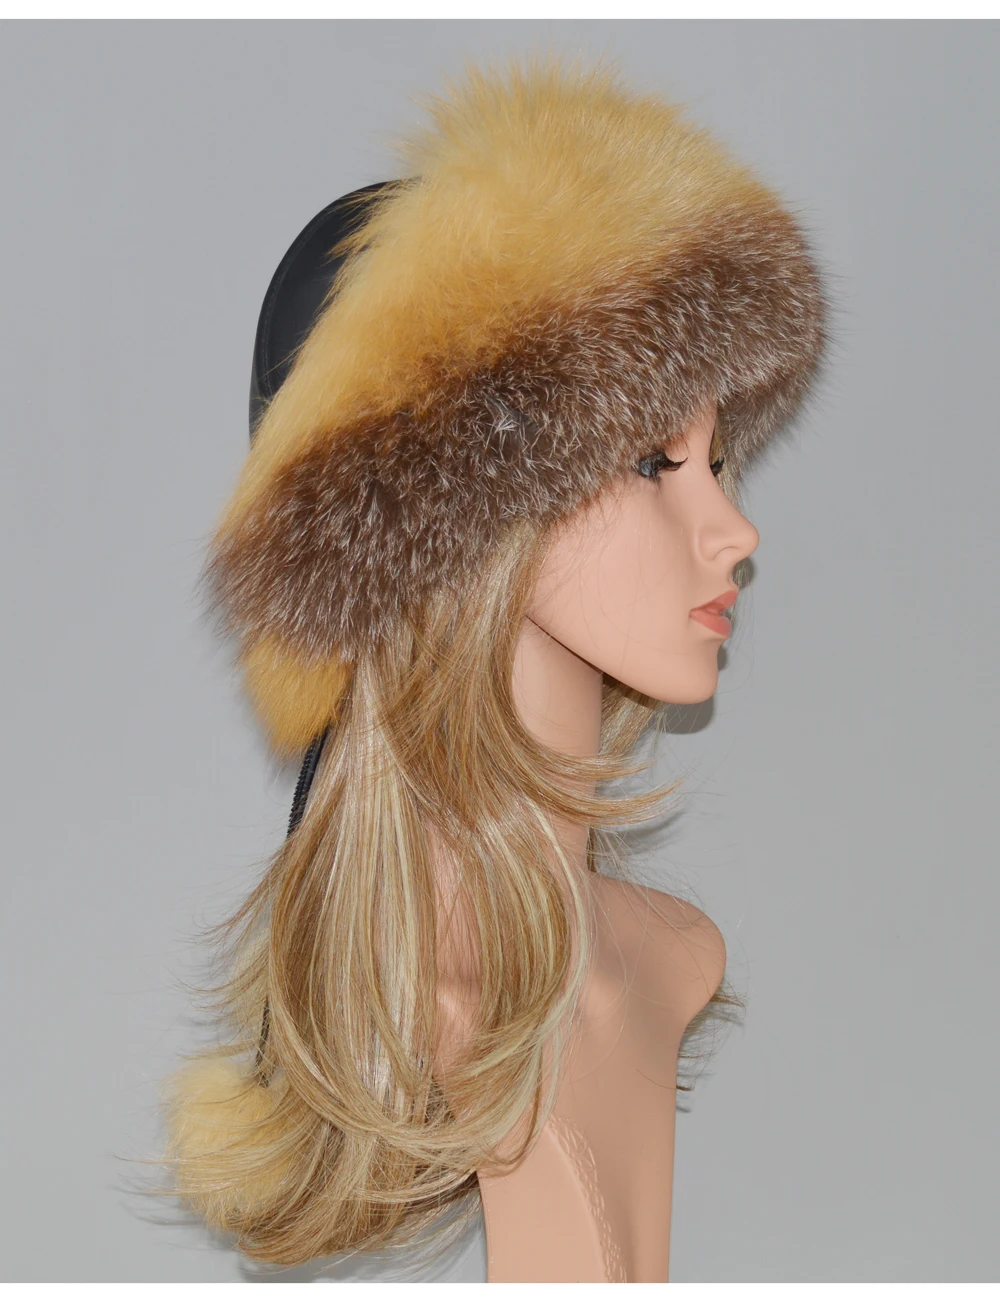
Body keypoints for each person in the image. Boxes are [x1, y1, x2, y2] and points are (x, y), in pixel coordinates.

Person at [161, 55, 831, 1282]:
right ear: (462, 526)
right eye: (650, 462)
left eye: (715, 460)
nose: (732, 531)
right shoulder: (445, 1013)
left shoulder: (664, 950)